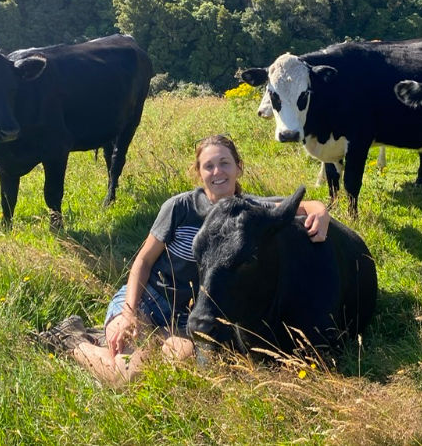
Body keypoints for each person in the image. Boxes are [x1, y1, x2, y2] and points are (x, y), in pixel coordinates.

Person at [39, 134, 331, 385]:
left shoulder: (248, 213)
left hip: (188, 315)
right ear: (199, 173)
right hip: (148, 300)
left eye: (225, 163)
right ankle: (70, 336)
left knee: (180, 361)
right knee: (124, 375)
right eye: (209, 166)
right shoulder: (179, 206)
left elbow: (288, 206)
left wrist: (318, 207)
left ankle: (113, 341)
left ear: (239, 168)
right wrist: (129, 312)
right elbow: (142, 261)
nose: (218, 171)